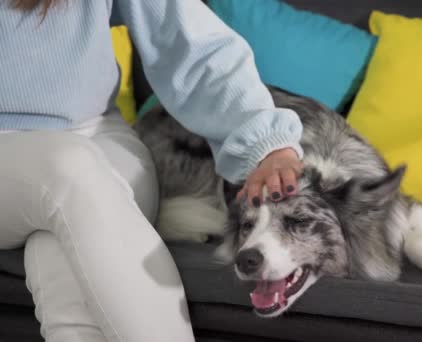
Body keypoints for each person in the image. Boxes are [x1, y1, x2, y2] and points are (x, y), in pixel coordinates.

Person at [0, 0, 304, 341]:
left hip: (99, 139)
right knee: (69, 166)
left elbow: (191, 44)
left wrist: (268, 143)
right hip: (49, 160)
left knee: (67, 271)